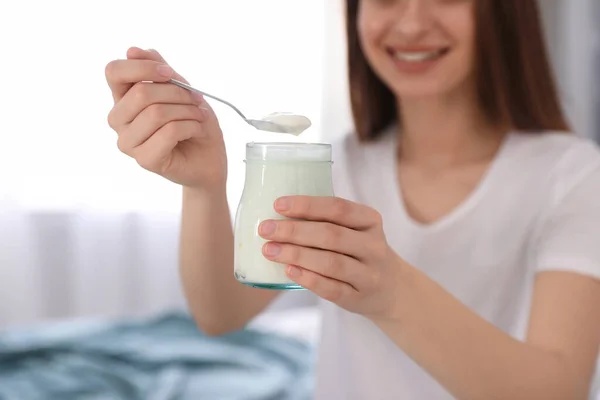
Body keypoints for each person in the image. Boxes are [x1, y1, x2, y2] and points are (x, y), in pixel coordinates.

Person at [104, 0, 600, 398]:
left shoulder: (573, 176)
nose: (411, 22)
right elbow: (221, 315)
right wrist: (203, 187)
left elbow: (559, 390)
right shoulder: (334, 166)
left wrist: (391, 291)